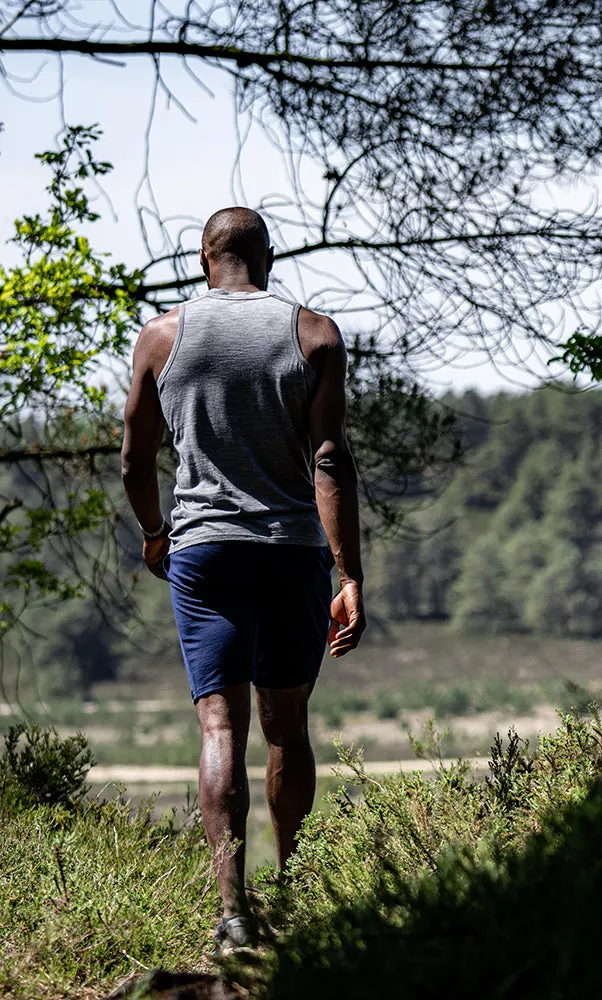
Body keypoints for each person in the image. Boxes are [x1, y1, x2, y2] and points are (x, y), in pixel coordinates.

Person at [121, 206, 365, 954]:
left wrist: (157, 532)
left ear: (204, 258)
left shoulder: (162, 337)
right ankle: (290, 893)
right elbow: (329, 458)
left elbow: (134, 460)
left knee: (219, 726)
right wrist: (348, 572)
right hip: (293, 551)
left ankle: (233, 915)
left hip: (205, 554)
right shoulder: (314, 333)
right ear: (269, 257)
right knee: (285, 725)